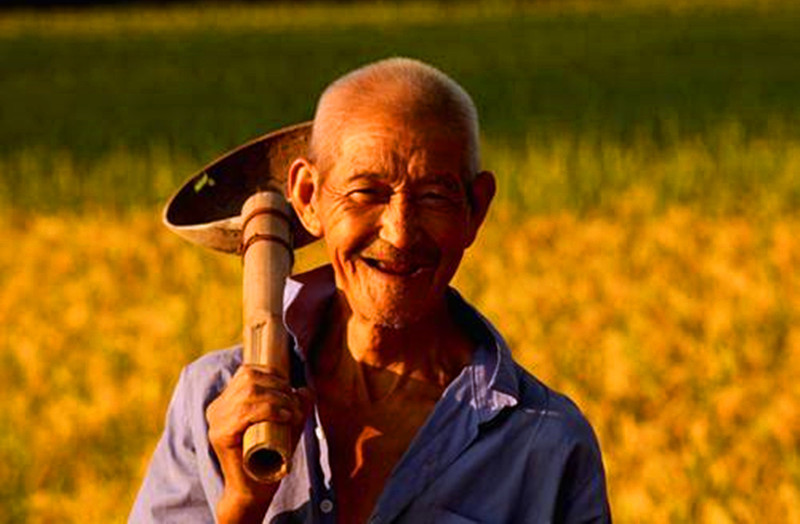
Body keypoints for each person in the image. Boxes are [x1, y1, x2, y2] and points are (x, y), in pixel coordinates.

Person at [131, 57, 611, 524]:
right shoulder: (213, 401)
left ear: (476, 209)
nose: (400, 233)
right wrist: (241, 505)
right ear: (307, 199)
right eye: (366, 192)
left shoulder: (545, 443)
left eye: (433, 196)